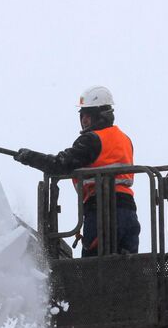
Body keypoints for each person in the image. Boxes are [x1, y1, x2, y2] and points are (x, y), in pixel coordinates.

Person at [13, 86, 141, 257]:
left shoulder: (92, 140)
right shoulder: (125, 140)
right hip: (128, 213)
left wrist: (30, 157)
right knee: (127, 268)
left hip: (103, 213)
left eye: (88, 115)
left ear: (100, 115)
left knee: (94, 271)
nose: (84, 120)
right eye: (82, 116)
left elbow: (60, 164)